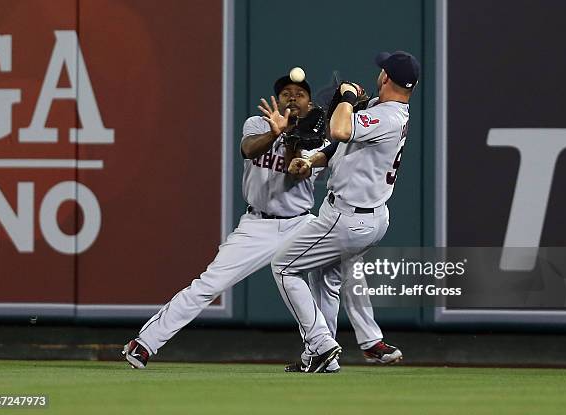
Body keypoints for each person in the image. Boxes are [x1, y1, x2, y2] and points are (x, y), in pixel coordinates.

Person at [122, 72, 394, 370]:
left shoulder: (318, 138)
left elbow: (295, 172)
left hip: (300, 223)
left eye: (299, 93)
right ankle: (145, 343)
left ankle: (327, 351)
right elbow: (249, 150)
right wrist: (275, 133)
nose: (292, 97)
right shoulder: (258, 123)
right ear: (277, 99)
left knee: (336, 273)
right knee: (209, 284)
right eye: (286, 92)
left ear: (310, 102)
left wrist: (291, 139)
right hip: (256, 226)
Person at [273, 51, 420, 373]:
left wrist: (348, 96)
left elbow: (340, 130)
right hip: (366, 216)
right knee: (325, 279)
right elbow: (339, 146)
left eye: (382, 70)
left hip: (348, 218)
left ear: (386, 78)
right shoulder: (385, 111)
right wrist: (311, 160)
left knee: (284, 268)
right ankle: (321, 357)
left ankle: (322, 343)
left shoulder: (389, 117)